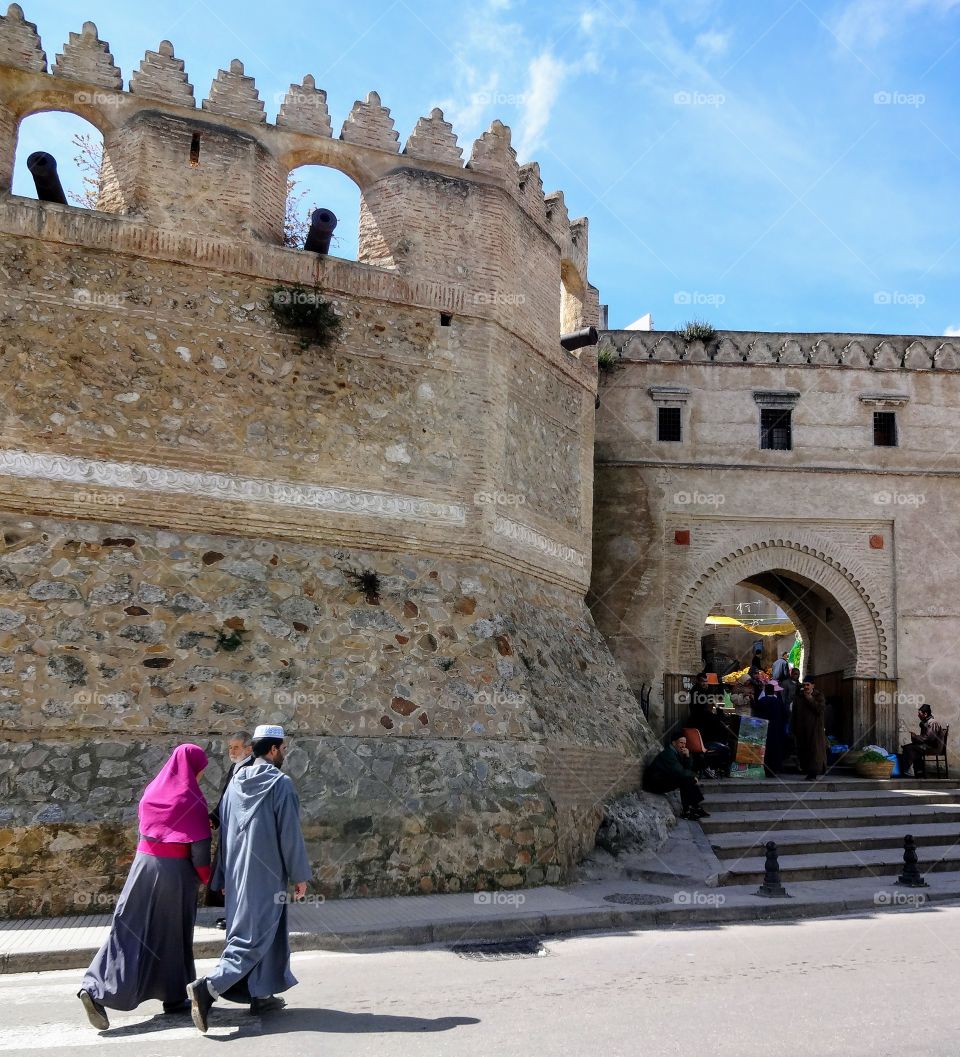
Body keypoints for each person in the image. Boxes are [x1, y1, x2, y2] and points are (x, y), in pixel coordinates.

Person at [78, 744, 212, 1030]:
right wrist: (206, 877)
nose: (200, 776)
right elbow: (199, 850)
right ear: (194, 768)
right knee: (173, 934)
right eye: (200, 770)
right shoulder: (191, 799)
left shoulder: (152, 792)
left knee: (128, 928)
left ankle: (95, 988)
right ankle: (174, 995)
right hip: (174, 874)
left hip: (142, 866)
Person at [189, 724, 311, 1034]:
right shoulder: (281, 784)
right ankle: (208, 988)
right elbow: (290, 835)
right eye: (282, 749)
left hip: (237, 874)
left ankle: (261, 994)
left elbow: (226, 835)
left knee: (260, 932)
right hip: (267, 876)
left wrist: (223, 876)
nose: (284, 754)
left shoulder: (234, 785)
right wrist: (299, 875)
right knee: (253, 936)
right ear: (272, 749)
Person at [206, 730, 254, 920]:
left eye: (236, 747)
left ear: (249, 749)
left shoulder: (250, 770)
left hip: (238, 833)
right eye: (230, 747)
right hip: (228, 831)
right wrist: (214, 818)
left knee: (237, 873)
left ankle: (239, 917)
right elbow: (226, 800)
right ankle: (232, 914)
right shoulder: (235, 768)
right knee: (227, 875)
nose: (231, 751)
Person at [642, 733, 710, 820]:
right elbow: (680, 772)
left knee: (687, 779)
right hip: (654, 785)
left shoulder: (675, 753)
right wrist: (694, 776)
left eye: (685, 744)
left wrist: (687, 757)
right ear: (674, 743)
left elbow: (685, 769)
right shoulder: (668, 754)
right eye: (681, 743)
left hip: (662, 780)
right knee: (686, 779)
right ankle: (688, 811)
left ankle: (694, 808)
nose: (683, 745)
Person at [793, 676, 827, 780]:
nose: (806, 687)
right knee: (803, 750)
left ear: (813, 685)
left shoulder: (818, 696)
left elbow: (819, 710)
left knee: (815, 751)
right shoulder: (799, 697)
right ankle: (806, 770)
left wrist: (810, 698)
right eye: (804, 685)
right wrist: (793, 728)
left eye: (808, 685)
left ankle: (813, 772)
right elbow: (794, 713)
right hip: (802, 729)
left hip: (815, 729)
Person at [899, 704, 946, 778]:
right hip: (926, 746)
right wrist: (915, 737)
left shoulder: (933, 723)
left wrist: (915, 737)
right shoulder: (925, 723)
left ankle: (909, 772)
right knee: (908, 747)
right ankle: (919, 772)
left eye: (919, 713)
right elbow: (923, 739)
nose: (918, 715)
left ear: (925, 714)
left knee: (910, 748)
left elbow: (928, 738)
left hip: (934, 748)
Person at [753, 682, 788, 774]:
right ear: (773, 692)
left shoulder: (762, 701)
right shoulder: (779, 702)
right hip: (777, 730)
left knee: (766, 749)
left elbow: (757, 713)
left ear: (765, 691)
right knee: (776, 749)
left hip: (764, 729)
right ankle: (776, 767)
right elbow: (785, 715)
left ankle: (766, 768)